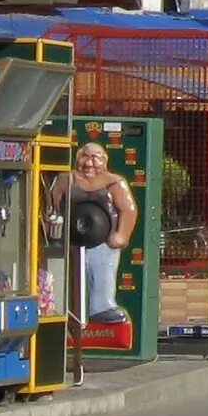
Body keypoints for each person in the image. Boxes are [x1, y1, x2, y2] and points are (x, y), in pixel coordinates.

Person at [65, 136, 138, 329]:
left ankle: (101, 307)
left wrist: (122, 234)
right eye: (85, 157)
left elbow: (129, 209)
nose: (90, 163)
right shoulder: (67, 180)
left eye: (95, 158)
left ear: (104, 161)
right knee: (69, 275)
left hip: (103, 240)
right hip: (71, 239)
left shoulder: (114, 182)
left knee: (102, 272)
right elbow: (51, 205)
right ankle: (67, 307)